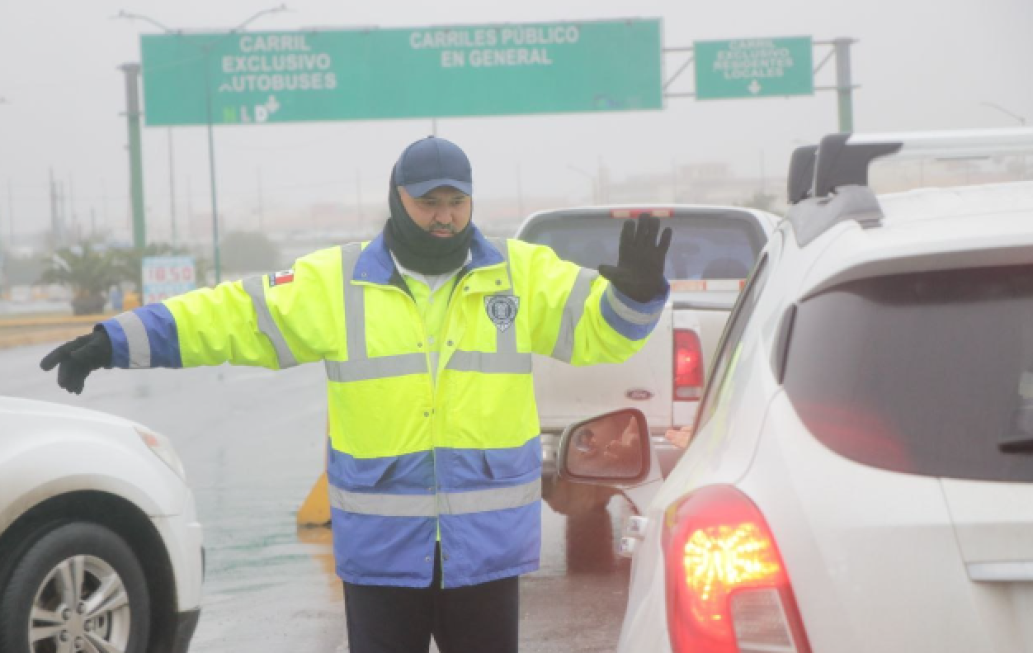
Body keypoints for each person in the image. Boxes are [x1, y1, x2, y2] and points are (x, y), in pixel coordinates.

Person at [40, 136, 672, 653]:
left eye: (456, 201)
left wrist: (635, 297)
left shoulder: (519, 275)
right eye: (428, 202)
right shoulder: (336, 282)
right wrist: (115, 339)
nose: (445, 215)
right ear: (397, 199)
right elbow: (230, 317)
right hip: (381, 556)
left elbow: (602, 332)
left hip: (485, 553)